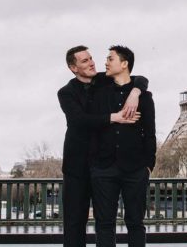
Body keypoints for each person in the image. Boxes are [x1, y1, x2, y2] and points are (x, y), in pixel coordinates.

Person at [58, 45, 146, 247]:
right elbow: (79, 120)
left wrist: (134, 93)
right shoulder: (65, 92)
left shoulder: (103, 80)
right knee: (74, 222)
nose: (91, 63)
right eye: (84, 61)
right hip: (77, 166)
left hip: (103, 164)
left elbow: (140, 78)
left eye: (90, 58)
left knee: (104, 222)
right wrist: (115, 117)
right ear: (73, 68)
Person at [89, 45, 155, 247]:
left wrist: (148, 166)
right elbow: (93, 124)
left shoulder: (144, 97)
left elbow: (150, 132)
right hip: (103, 167)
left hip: (135, 168)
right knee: (104, 223)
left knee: (135, 222)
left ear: (124, 64)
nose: (106, 62)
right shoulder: (99, 91)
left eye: (110, 59)